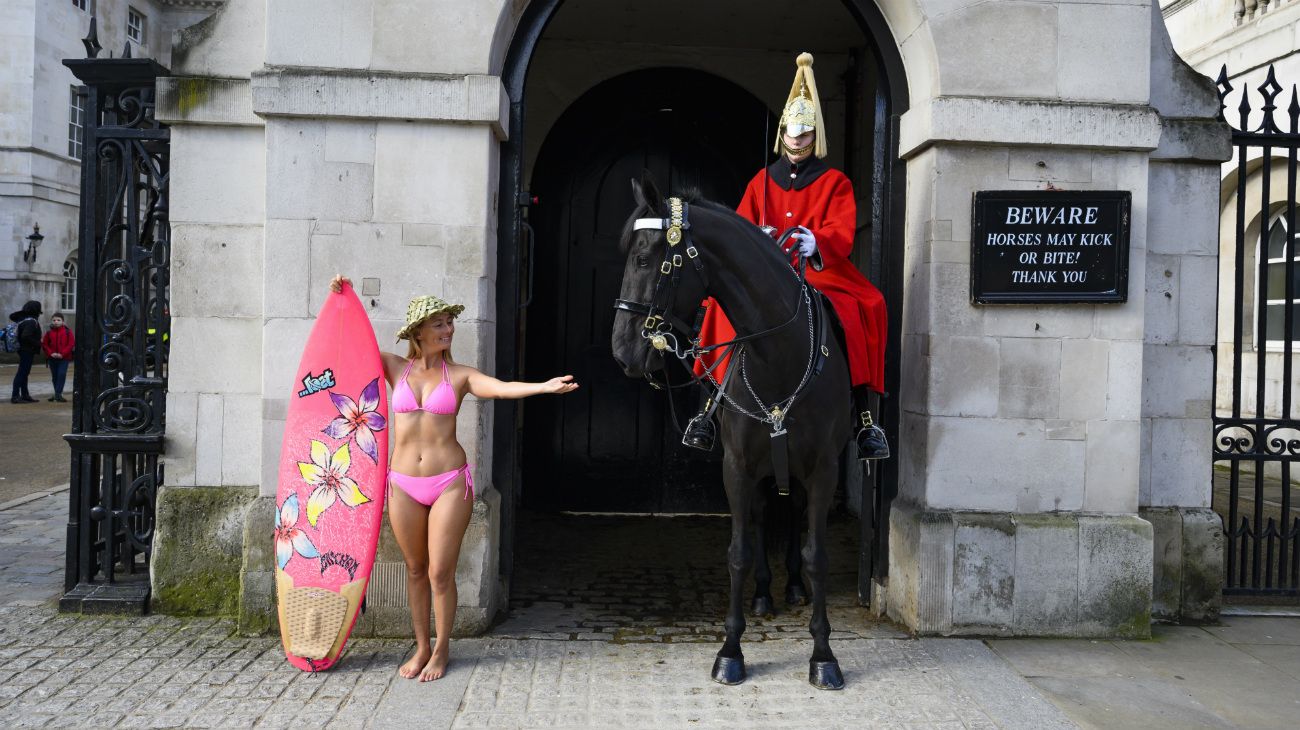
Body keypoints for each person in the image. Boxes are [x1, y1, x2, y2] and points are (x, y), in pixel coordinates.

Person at [329, 276, 577, 682]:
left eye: (449, 322)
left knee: (440, 572)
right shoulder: (395, 367)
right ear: (418, 332)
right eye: (440, 323)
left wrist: (545, 387)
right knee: (414, 569)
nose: (449, 329)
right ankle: (421, 645)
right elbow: (347, 347)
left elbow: (500, 389)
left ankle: (442, 649)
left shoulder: (459, 376)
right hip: (402, 482)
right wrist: (341, 298)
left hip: (447, 482)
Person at [688, 53, 889, 459]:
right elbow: (738, 231)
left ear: (815, 137)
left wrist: (818, 242)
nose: (797, 143)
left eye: (805, 136)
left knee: (861, 308)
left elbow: (842, 232)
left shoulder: (835, 182)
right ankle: (709, 408)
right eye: (792, 135)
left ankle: (865, 418)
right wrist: (754, 239)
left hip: (818, 274)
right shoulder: (761, 181)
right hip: (764, 276)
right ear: (782, 134)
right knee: (719, 310)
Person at [9, 300, 42, 404]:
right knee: (22, 373)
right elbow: (25, 336)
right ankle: (15, 396)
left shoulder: (23, 319)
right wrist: (38, 343)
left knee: (24, 373)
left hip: (23, 349)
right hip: (27, 350)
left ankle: (25, 394)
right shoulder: (31, 321)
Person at [42, 314, 74, 402]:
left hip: (64, 358)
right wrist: (51, 353)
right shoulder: (49, 332)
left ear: (63, 322)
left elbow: (71, 344)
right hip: (52, 358)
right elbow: (45, 344)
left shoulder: (68, 332)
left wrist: (62, 354)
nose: (56, 322)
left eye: (58, 320)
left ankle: (58, 393)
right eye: (54, 320)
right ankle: (57, 394)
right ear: (52, 321)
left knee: (61, 374)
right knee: (55, 376)